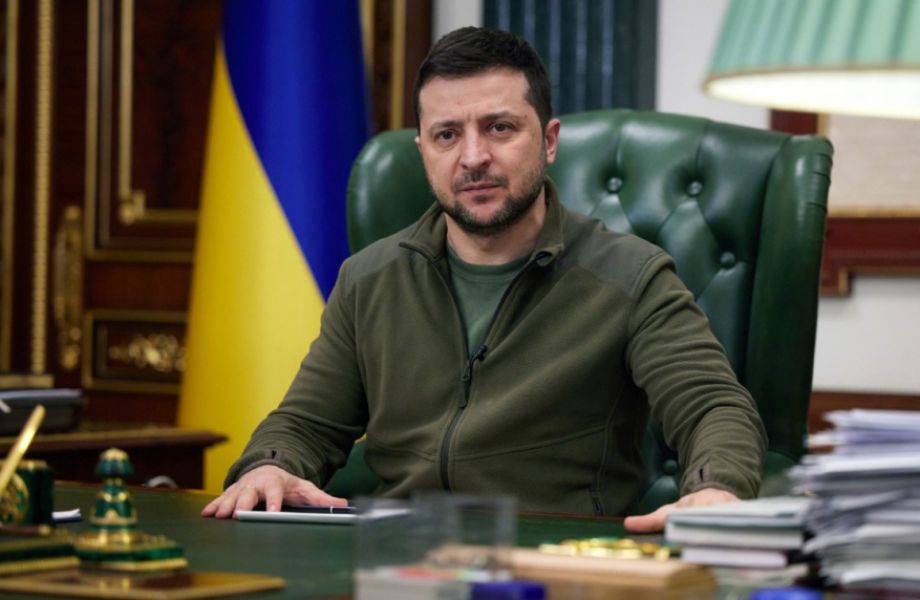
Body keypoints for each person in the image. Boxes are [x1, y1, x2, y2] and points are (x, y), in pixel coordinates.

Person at [202, 26, 766, 533]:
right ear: (423, 151)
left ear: (548, 141)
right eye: (447, 135)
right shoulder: (369, 279)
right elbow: (305, 424)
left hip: (555, 561)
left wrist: (716, 487)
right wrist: (269, 466)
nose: (473, 157)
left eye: (499, 128)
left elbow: (714, 407)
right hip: (399, 559)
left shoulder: (631, 276)